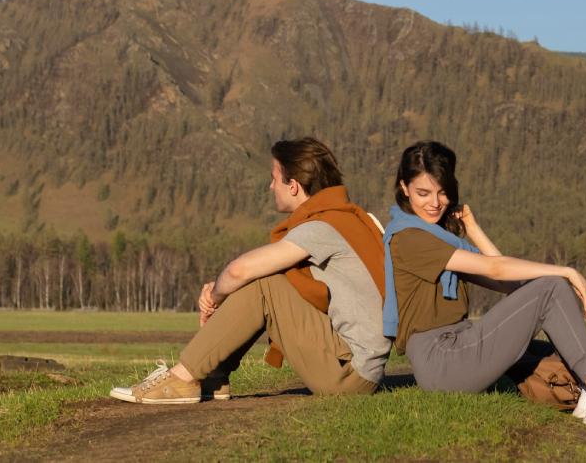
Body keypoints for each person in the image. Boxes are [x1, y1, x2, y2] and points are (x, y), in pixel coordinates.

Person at [382, 140, 586, 431]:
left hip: (455, 348)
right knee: (552, 288)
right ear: (404, 188)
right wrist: (567, 272)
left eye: (442, 192)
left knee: (551, 346)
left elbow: (509, 284)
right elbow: (497, 268)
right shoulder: (409, 238)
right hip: (442, 360)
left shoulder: (439, 237)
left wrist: (474, 229)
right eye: (423, 193)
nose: (434, 203)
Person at [111, 137, 388, 403]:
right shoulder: (340, 218)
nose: (270, 186)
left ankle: (181, 378)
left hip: (348, 374)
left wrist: (213, 297)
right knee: (263, 278)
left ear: (293, 186)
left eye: (274, 178)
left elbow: (239, 271)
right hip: (355, 367)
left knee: (263, 283)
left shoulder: (324, 226)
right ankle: (213, 376)